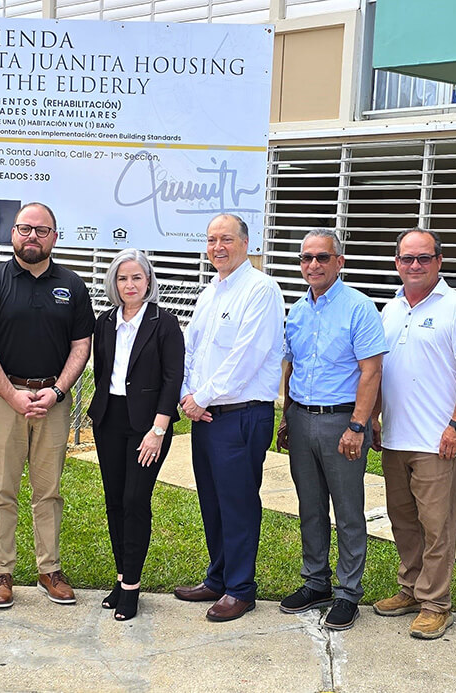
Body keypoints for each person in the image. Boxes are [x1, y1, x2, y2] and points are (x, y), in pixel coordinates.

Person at [0, 202, 95, 609]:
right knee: (2, 489)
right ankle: (1, 572)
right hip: (6, 400)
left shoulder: (71, 285)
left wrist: (56, 392)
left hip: (53, 401)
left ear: (55, 237)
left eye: (41, 230)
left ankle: (48, 570)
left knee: (48, 490)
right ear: (13, 234)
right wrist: (13, 395)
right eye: (25, 229)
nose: (32, 236)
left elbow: (81, 345)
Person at [373, 228, 456, 639]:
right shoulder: (390, 309)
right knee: (403, 521)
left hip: (437, 441)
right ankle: (410, 588)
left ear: (439, 261)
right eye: (407, 258)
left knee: (438, 526)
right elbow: (379, 371)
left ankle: (437, 604)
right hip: (394, 438)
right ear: (397, 263)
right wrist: (372, 417)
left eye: (423, 258)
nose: (415, 265)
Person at [174, 213, 285, 622]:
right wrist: (186, 393)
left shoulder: (261, 290)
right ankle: (218, 578)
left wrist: (199, 397)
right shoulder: (210, 291)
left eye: (226, 239)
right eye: (211, 240)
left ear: (246, 243)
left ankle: (240, 588)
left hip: (240, 416)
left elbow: (247, 356)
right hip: (205, 416)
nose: (217, 247)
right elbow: (191, 349)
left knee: (237, 504)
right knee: (213, 502)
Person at [277, 229, 386, 631]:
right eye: (306, 258)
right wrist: (287, 416)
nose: (313, 265)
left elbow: (372, 371)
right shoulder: (298, 311)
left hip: (344, 420)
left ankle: (347, 593)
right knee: (310, 507)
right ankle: (316, 582)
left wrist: (359, 425)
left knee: (348, 511)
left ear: (339, 262)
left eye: (322, 257)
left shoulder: (359, 308)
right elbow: (291, 367)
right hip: (303, 419)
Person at [87, 249, 184, 621]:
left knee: (134, 500)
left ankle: (132, 588)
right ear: (114, 283)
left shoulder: (165, 322)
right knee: (114, 501)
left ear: (148, 282)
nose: (130, 284)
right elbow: (102, 372)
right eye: (123, 278)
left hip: (148, 427)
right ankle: (121, 576)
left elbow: (172, 379)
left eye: (137, 278)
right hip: (109, 420)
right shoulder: (105, 321)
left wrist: (158, 429)